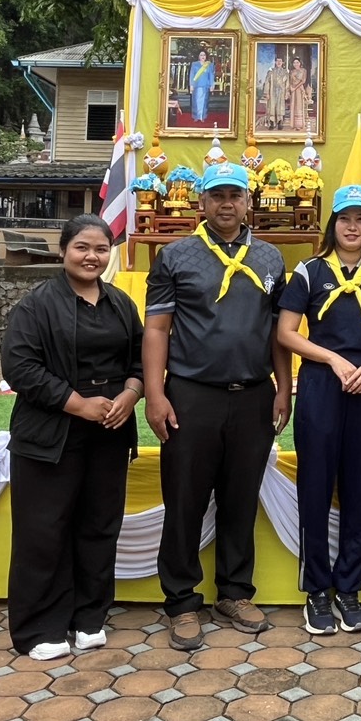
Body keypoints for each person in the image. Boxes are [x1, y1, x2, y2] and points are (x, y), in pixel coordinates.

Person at [144, 162, 293, 650]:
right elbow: (157, 328)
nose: (227, 204)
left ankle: (234, 592)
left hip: (253, 395)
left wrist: (284, 386)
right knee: (184, 500)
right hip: (191, 395)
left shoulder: (270, 257)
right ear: (202, 203)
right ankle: (181, 601)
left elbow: (277, 331)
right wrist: (155, 393)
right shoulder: (175, 256)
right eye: (217, 196)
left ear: (248, 202)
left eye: (235, 195)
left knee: (240, 498)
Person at [0, 214, 144, 661]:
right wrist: (77, 404)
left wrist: (130, 394)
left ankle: (89, 617)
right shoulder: (37, 306)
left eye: (101, 249)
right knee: (44, 530)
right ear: (63, 250)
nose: (91, 257)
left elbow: (141, 360)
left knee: (99, 526)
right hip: (50, 435)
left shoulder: (121, 304)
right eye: (82, 247)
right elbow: (20, 367)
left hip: (109, 432)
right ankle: (40, 627)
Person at [276, 185, 361, 635]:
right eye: (345, 218)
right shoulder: (309, 272)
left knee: (360, 488)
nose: (352, 227)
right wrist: (332, 359)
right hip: (320, 385)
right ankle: (316, 590)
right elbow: (286, 333)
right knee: (315, 485)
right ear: (333, 224)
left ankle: (349, 587)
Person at [262, 54, 289, 130]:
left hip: (281, 92)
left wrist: (286, 93)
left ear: (283, 62)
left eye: (280, 61)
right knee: (272, 107)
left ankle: (280, 122)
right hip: (272, 91)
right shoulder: (271, 72)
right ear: (275, 62)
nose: (279, 62)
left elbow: (287, 84)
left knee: (280, 107)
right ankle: (272, 123)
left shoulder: (285, 72)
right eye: (277, 61)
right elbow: (267, 82)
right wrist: (267, 93)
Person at [190, 48, 215, 123]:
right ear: (198, 56)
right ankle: (196, 116)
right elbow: (192, 75)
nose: (203, 56)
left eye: (204, 55)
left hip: (205, 86)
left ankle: (202, 116)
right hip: (196, 85)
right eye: (201, 55)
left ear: (206, 56)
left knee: (204, 101)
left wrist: (212, 85)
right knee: (196, 101)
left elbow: (211, 75)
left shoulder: (209, 65)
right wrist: (191, 85)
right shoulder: (194, 64)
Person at [288, 55, 311, 133]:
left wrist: (295, 88)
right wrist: (291, 88)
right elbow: (290, 81)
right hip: (293, 91)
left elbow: (303, 81)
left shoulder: (303, 71)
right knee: (293, 106)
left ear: (300, 63)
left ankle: (299, 125)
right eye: (294, 63)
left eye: (297, 62)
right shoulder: (292, 71)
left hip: (300, 90)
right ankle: (293, 124)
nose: (296, 64)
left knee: (299, 106)